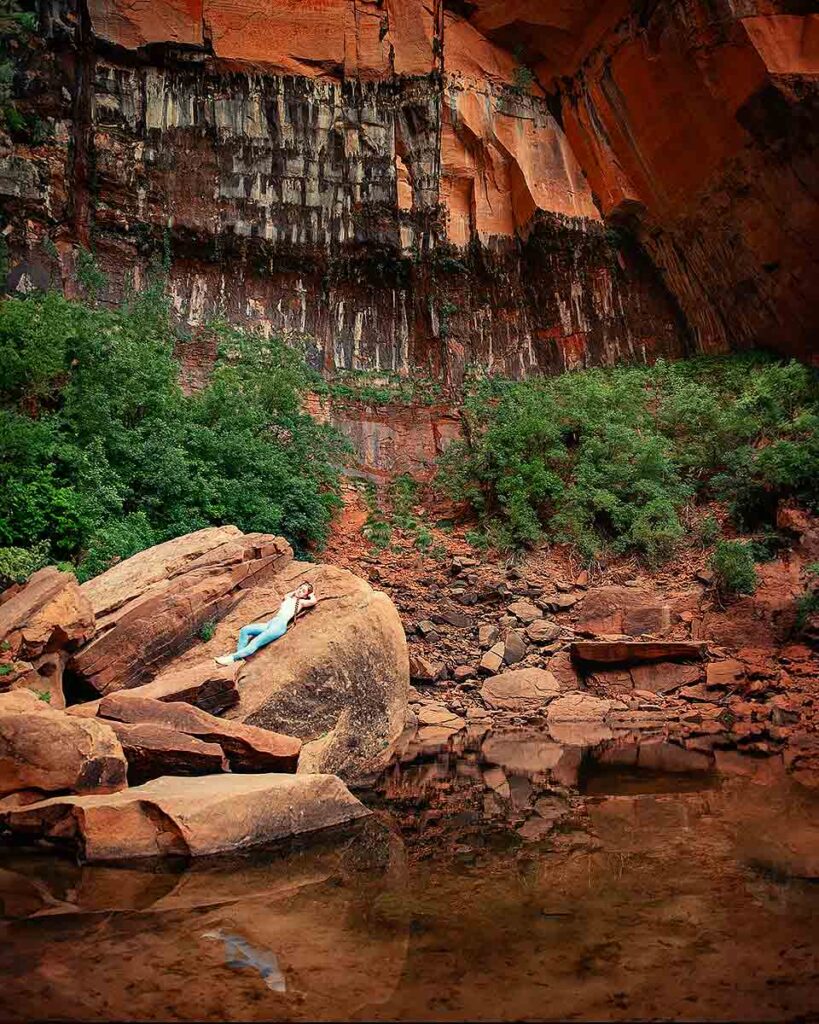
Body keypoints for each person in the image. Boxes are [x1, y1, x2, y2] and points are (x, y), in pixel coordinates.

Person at [215, 582, 317, 665]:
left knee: (255, 643)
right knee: (245, 630)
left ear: (305, 595)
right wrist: (297, 591)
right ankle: (239, 657)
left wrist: (311, 595)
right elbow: (286, 595)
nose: (300, 590)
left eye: (303, 591)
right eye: (300, 588)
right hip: (271, 623)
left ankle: (231, 658)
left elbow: (313, 601)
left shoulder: (302, 603)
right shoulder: (289, 598)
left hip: (279, 626)